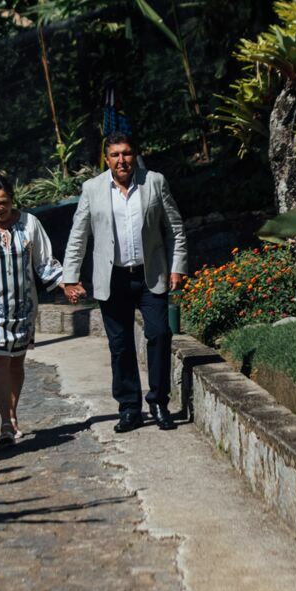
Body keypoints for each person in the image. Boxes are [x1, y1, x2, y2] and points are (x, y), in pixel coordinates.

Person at [61, 132, 187, 432]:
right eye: (116, 155)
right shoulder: (92, 189)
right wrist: (70, 276)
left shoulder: (154, 182)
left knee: (159, 335)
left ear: (135, 155)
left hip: (150, 275)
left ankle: (158, 402)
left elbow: (175, 229)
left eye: (127, 153)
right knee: (120, 346)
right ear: (106, 159)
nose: (122, 160)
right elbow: (79, 235)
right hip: (112, 278)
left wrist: (177, 266)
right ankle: (129, 408)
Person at [0, 172, 64, 446]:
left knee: (16, 362)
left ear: (12, 199)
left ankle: (13, 415)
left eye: (3, 202)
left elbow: (43, 262)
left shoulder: (30, 223)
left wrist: (65, 284)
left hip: (23, 306)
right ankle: (5, 421)